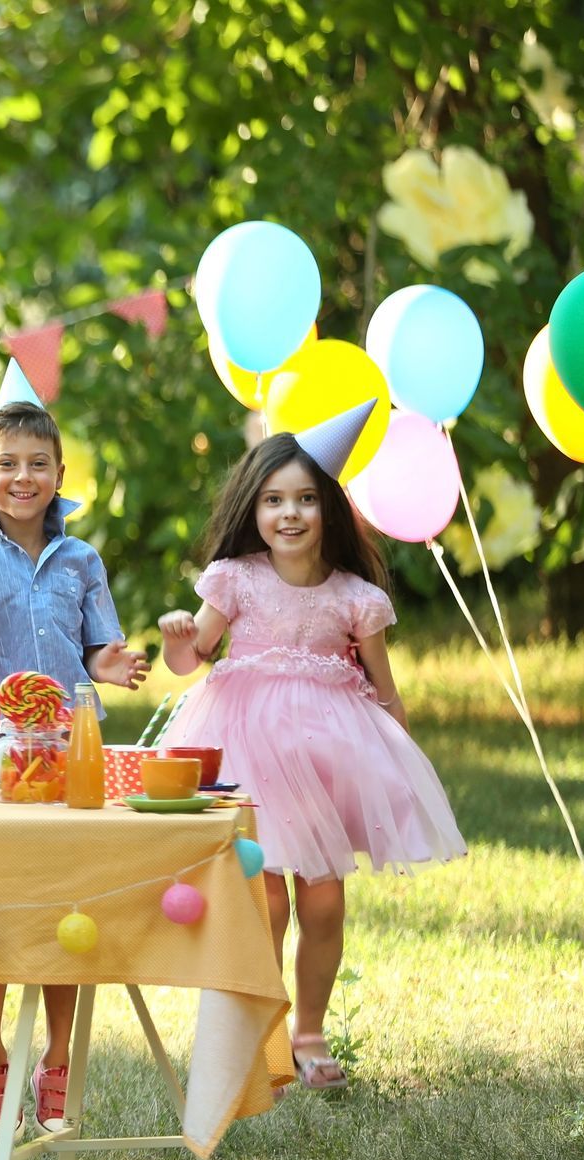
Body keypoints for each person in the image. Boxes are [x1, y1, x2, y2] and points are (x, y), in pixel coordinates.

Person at [158, 402, 464, 1090]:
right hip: (247, 752)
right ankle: (260, 1032)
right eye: (272, 500)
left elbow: (386, 691)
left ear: (329, 508)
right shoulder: (236, 577)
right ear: (253, 508)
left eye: (304, 499)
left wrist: (401, 765)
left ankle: (311, 1030)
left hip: (326, 758)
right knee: (264, 899)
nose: (288, 514)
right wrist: (182, 637)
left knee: (323, 903)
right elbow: (193, 658)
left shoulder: (357, 597)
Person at [0, 377, 148, 1139]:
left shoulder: (82, 559)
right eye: (6, 463)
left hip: (76, 751)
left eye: (37, 462)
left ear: (60, 474)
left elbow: (96, 648)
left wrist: (113, 666)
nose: (22, 477)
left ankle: (57, 1060)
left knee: (67, 907)